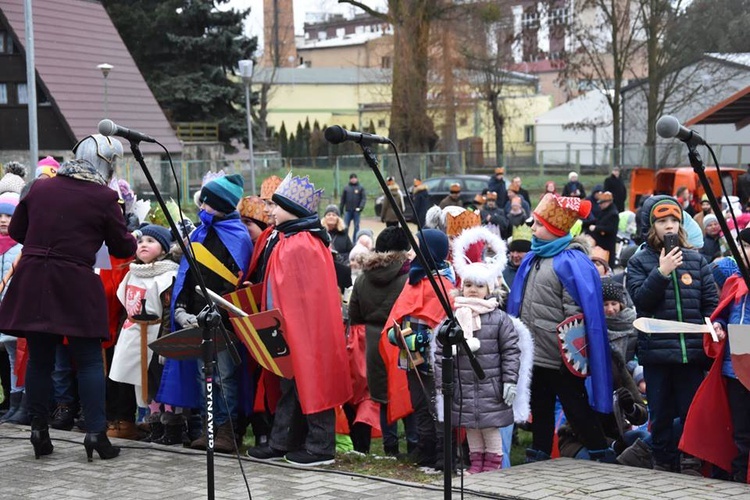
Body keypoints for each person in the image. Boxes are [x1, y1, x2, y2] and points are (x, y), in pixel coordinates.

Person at [0, 158, 137, 461]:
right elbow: (123, 248)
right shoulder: (103, 197)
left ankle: (39, 430)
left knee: (39, 359)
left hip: (34, 278)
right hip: (75, 280)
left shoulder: (38, 188)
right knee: (88, 360)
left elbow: (20, 230)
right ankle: (96, 434)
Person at [246, 173, 352, 466]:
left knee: (313, 384)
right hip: (287, 330)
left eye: (277, 207)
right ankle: (282, 442)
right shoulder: (289, 239)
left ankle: (321, 447)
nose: (272, 211)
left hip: (304, 333)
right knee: (289, 387)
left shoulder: (301, 243)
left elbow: (304, 297)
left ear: (292, 209)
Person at [507, 193, 613, 463]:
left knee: (576, 409)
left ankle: (603, 455)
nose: (533, 228)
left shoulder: (570, 262)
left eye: (539, 225)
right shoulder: (533, 258)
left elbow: (577, 314)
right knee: (540, 409)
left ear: (555, 230)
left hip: (561, 357)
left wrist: (567, 352)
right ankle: (538, 458)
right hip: (535, 354)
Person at [157, 173, 253, 454]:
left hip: (221, 322)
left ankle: (227, 430)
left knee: (223, 375)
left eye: (207, 204)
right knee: (204, 375)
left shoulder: (237, 237)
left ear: (219, 205)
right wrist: (181, 308)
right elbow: (188, 276)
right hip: (197, 319)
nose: (202, 208)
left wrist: (214, 311)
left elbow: (232, 281)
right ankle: (208, 428)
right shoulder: (199, 233)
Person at [626, 196, 718, 474]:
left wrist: (716, 323)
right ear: (652, 226)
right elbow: (641, 301)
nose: (669, 227)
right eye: (662, 221)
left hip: (690, 354)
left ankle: (690, 459)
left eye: (674, 221)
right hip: (656, 354)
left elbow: (710, 303)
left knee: (691, 411)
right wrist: (661, 272)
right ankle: (662, 461)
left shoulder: (696, 260)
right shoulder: (639, 261)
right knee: (661, 413)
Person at [435, 226, 526, 474]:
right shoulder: (454, 317)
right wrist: (443, 381)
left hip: (491, 386)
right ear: (461, 288)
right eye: (468, 285)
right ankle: (476, 466)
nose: (473, 289)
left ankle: (493, 468)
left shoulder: (498, 319)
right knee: (472, 428)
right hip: (463, 385)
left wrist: (509, 381)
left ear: (489, 289)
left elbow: (511, 352)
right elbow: (440, 350)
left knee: (490, 428)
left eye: (479, 285)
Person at [382, 229, 455, 469]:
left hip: (435, 358)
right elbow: (400, 315)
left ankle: (445, 457)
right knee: (421, 405)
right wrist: (396, 334)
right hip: (410, 357)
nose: (412, 252)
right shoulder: (413, 279)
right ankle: (425, 453)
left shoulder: (443, 283)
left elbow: (445, 322)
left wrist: (423, 339)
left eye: (417, 247)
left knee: (438, 407)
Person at [348, 226, 417, 457]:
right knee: (407, 391)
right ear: (404, 249)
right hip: (403, 337)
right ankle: (415, 445)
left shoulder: (363, 277)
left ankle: (390, 447)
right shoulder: (410, 277)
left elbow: (354, 313)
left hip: (373, 340)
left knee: (382, 396)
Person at [108, 224, 179, 443]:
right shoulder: (132, 273)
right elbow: (125, 306)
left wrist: (166, 343)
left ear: (164, 249)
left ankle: (172, 428)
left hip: (157, 333)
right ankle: (153, 424)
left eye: (151, 241)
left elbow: (168, 311)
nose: (144, 245)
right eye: (140, 241)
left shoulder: (168, 275)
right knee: (142, 382)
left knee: (159, 381)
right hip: (134, 333)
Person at [682, 255, 749, 483]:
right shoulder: (734, 281)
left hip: (744, 352)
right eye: (747, 246)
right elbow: (722, 313)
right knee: (739, 427)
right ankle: (739, 477)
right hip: (735, 364)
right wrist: (718, 325)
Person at [0, 189, 25, 425]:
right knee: (10, 358)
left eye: (8, 215)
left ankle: (22, 403)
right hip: (1, 312)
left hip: (16, 311)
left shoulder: (21, 246)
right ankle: (13, 401)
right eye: (0, 215)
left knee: (21, 357)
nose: (3, 220)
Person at [587, 191, 619, 268]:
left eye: (601, 203)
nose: (600, 205)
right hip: (600, 244)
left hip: (607, 244)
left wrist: (596, 228)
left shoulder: (613, 214)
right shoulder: (604, 212)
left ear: (608, 202)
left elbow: (612, 229)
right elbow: (597, 221)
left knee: (606, 264)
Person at [339, 173, 366, 240]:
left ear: (357, 179)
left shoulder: (360, 188)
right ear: (350, 179)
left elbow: (363, 198)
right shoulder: (346, 188)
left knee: (356, 226)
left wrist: (360, 207)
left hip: (356, 211)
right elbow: (343, 200)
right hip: (348, 210)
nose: (353, 179)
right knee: (345, 226)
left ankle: (355, 240)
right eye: (352, 178)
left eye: (354, 178)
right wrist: (341, 210)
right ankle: (345, 239)